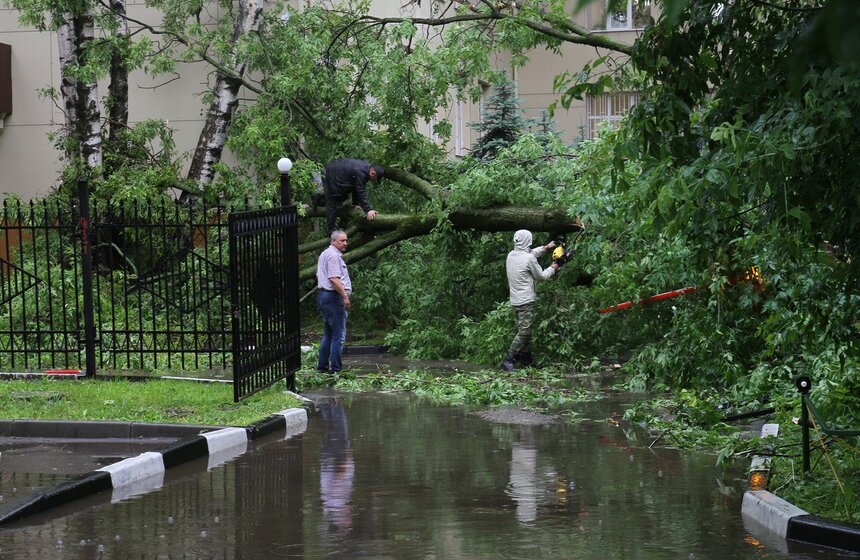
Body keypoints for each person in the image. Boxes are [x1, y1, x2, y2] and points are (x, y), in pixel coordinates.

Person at [500, 230, 559, 372]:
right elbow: (542, 276)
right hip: (526, 301)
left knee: (525, 331)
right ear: (528, 241)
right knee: (524, 333)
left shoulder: (511, 256)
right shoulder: (528, 259)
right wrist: (554, 267)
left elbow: (529, 254)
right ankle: (508, 361)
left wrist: (547, 247)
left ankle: (526, 361)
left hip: (515, 301)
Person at [313, 158, 384, 232]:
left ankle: (320, 199)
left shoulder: (365, 168)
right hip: (332, 175)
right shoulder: (361, 172)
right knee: (333, 202)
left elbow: (356, 187)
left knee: (343, 197)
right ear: (372, 173)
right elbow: (360, 190)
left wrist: (356, 204)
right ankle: (330, 230)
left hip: (336, 173)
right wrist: (368, 210)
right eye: (375, 179)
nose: (374, 181)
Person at [317, 229, 352, 373]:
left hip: (326, 297)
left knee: (329, 334)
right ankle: (336, 370)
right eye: (342, 240)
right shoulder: (333, 256)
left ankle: (323, 368)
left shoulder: (325, 253)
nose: (345, 243)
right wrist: (345, 296)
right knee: (338, 336)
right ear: (333, 241)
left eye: (346, 240)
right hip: (333, 297)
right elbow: (333, 278)